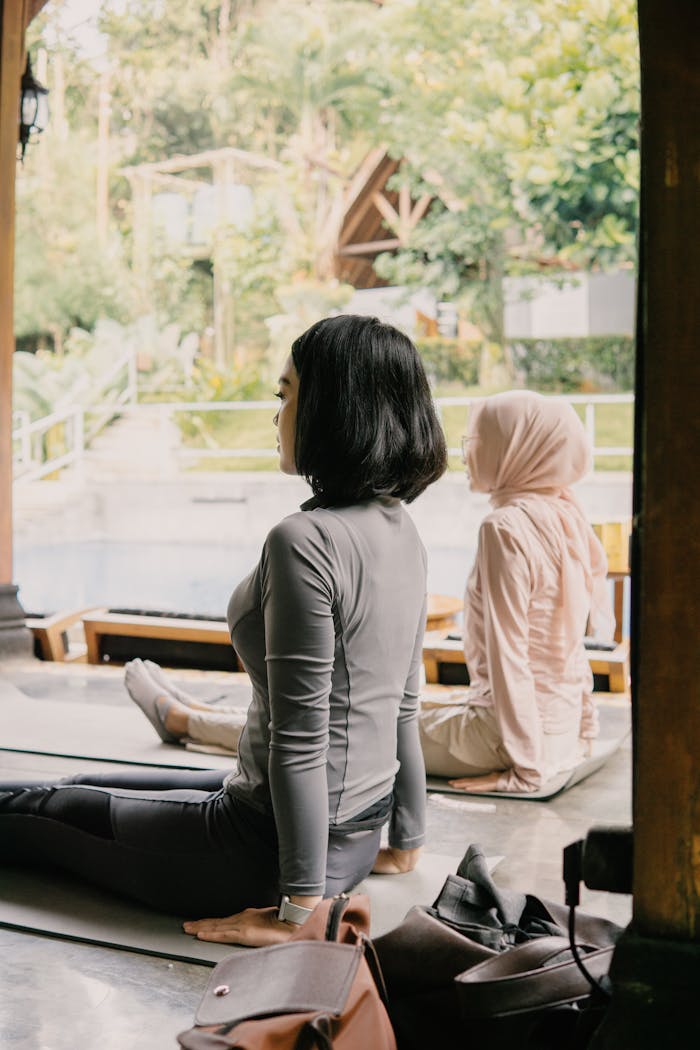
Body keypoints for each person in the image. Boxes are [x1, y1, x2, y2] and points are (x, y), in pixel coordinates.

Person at [0, 314, 447, 947]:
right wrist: (406, 840)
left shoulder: (306, 541)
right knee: (75, 782)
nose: (277, 413)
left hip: (261, 853)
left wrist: (297, 912)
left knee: (44, 810)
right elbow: (403, 706)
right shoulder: (402, 531)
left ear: (334, 408)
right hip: (350, 835)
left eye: (286, 393)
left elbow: (301, 739)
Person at [419, 390, 614, 794]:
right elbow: (570, 647)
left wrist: (526, 772)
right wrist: (584, 732)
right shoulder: (563, 514)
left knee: (349, 730)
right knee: (384, 713)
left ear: (515, 450)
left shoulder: (504, 527)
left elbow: (511, 654)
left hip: (506, 739)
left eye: (477, 442)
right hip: (557, 734)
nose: (466, 454)